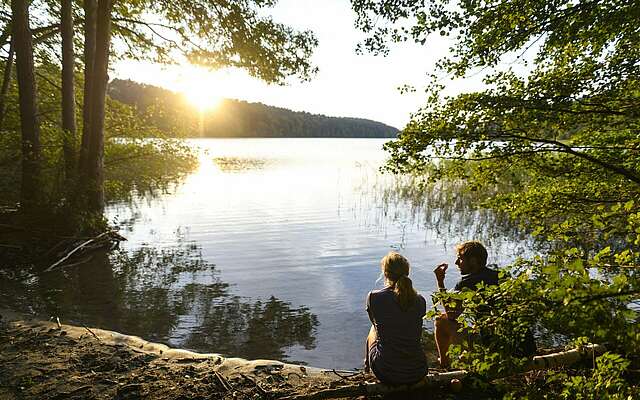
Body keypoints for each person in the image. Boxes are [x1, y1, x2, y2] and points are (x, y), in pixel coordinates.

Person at [365, 252, 428, 384]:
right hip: (418, 370)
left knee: (373, 329)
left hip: (387, 372)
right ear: (407, 272)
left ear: (386, 273)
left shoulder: (374, 297)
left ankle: (367, 366)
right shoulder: (420, 300)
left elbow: (376, 326)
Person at [433, 241, 499, 368]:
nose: (457, 263)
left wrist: (440, 282)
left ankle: (444, 363)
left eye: (460, 259)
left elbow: (451, 314)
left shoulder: (466, 283)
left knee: (441, 320)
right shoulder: (498, 276)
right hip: (506, 343)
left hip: (487, 344)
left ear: (473, 261)